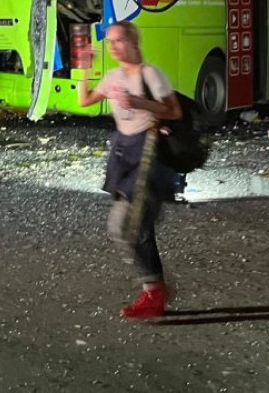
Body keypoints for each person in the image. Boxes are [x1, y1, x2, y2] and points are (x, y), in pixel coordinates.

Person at [76, 21, 184, 321]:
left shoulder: (150, 74)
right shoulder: (114, 76)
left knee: (131, 225)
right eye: (109, 42)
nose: (113, 47)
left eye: (119, 40)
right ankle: (155, 289)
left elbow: (174, 111)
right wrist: (84, 70)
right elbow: (85, 101)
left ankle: (154, 292)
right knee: (126, 226)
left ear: (133, 42)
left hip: (148, 154)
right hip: (123, 153)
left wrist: (139, 102)